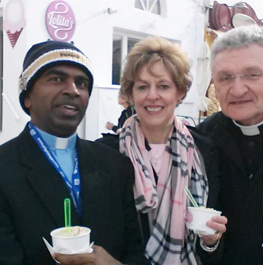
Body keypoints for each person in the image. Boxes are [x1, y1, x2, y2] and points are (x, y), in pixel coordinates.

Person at [0, 40, 144, 265]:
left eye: (82, 83)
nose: (73, 90)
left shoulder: (115, 166)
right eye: (57, 79)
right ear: (27, 97)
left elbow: (135, 254)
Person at [97, 36, 227, 264]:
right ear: (131, 94)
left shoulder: (206, 151)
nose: (152, 95)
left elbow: (213, 252)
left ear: (180, 93)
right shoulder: (106, 154)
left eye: (164, 86)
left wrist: (211, 241)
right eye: (142, 86)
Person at [194, 24, 263, 264]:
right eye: (225, 78)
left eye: (252, 74)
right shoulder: (201, 139)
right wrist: (208, 243)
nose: (237, 90)